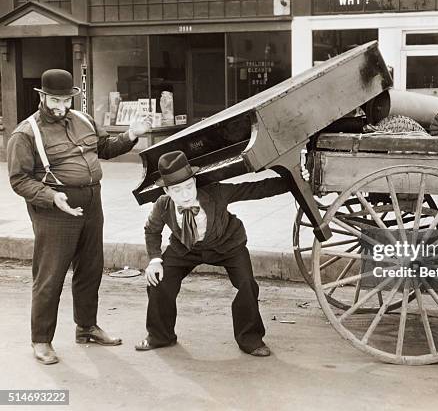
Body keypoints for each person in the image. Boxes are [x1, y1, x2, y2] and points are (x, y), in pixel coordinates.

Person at [7, 68, 150, 364]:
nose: (61, 107)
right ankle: (42, 340)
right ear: (43, 97)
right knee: (50, 276)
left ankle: (86, 328)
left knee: (90, 268)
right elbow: (19, 179)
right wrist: (52, 196)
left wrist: (131, 135)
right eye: (54, 101)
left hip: (91, 203)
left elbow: (105, 149)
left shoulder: (84, 120)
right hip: (54, 210)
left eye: (66, 100)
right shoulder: (26, 133)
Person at [136, 150, 290, 357]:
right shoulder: (162, 205)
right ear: (167, 191)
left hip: (227, 246)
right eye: (177, 190)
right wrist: (154, 260)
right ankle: (160, 336)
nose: (185, 194)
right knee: (158, 282)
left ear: (194, 181)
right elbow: (151, 230)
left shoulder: (216, 193)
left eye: (189, 187)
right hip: (185, 249)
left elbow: (253, 189)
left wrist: (293, 180)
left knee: (247, 284)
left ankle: (250, 339)